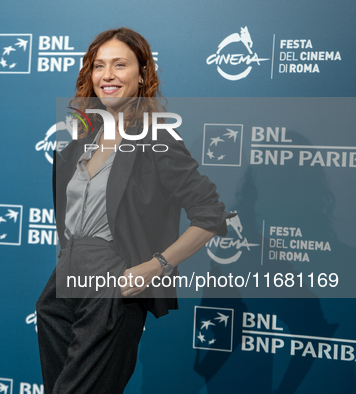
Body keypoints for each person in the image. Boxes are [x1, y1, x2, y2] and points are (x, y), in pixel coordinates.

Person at [36, 27, 233, 394]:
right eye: (99, 66)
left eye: (120, 65)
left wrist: (154, 266)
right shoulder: (80, 142)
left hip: (112, 287)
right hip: (60, 291)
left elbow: (210, 214)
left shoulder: (157, 138)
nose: (107, 75)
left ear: (142, 74)